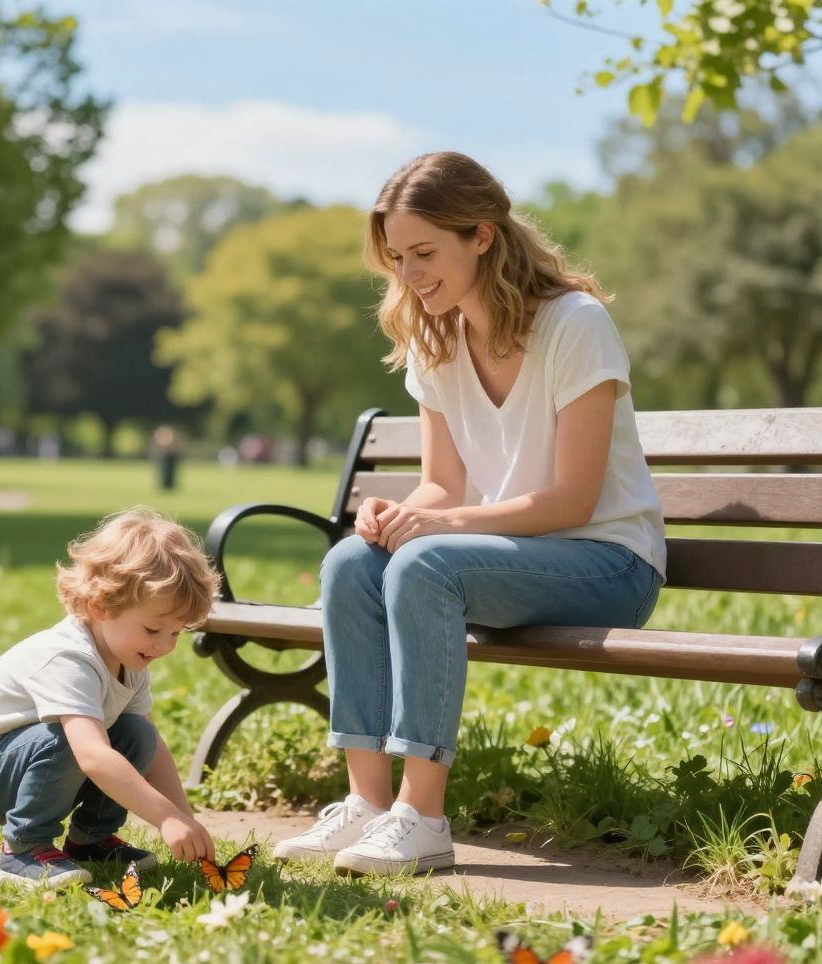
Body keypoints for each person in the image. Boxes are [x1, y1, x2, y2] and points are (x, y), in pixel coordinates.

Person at [272, 151, 667, 876]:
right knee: (352, 562)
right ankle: (367, 801)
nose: (411, 274)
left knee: (424, 562)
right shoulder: (438, 337)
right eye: (397, 258)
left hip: (607, 561)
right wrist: (395, 514)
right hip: (503, 557)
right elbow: (442, 486)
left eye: (425, 253)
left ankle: (422, 817)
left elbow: (574, 500)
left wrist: (438, 528)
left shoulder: (575, 326)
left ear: (481, 236)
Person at [0, 508, 222, 888]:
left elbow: (151, 748)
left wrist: (183, 816)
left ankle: (90, 841)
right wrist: (164, 817)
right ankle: (21, 848)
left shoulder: (130, 660)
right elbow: (91, 755)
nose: (165, 645)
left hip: (39, 762)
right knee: (76, 740)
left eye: (176, 633)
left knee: (138, 733)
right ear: (100, 607)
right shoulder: (70, 657)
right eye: (154, 628)